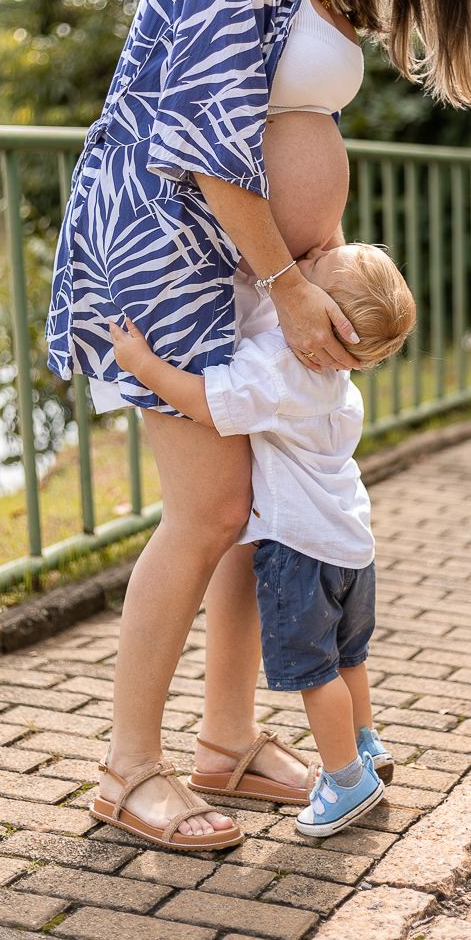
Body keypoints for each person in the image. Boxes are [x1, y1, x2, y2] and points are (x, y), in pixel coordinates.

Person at [46, 0, 471, 850]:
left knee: (257, 510)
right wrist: (289, 284)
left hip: (247, 263)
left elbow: (291, 125)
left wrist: (322, 265)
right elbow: (205, 132)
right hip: (170, 241)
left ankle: (226, 743)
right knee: (211, 507)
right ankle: (127, 770)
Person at [105, 242, 416, 836]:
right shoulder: (332, 376)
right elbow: (261, 318)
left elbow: (204, 403)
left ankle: (346, 781)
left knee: (315, 672)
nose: (307, 259)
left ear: (327, 323)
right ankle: (366, 747)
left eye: (315, 269)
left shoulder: (276, 372)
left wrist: (142, 365)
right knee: (350, 657)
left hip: (299, 552)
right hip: (352, 545)